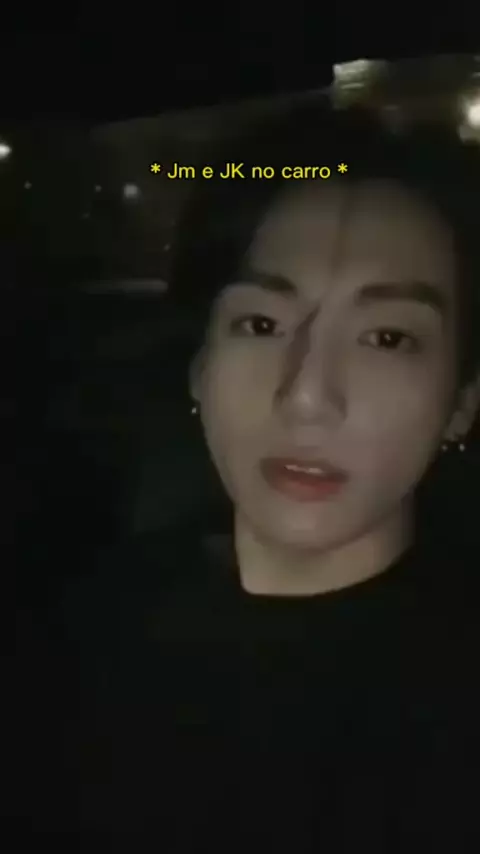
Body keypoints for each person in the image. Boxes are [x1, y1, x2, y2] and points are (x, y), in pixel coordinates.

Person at [20, 105, 480, 849]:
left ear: (462, 402)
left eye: (388, 337)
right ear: (200, 363)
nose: (306, 396)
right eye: (261, 325)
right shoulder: (70, 632)